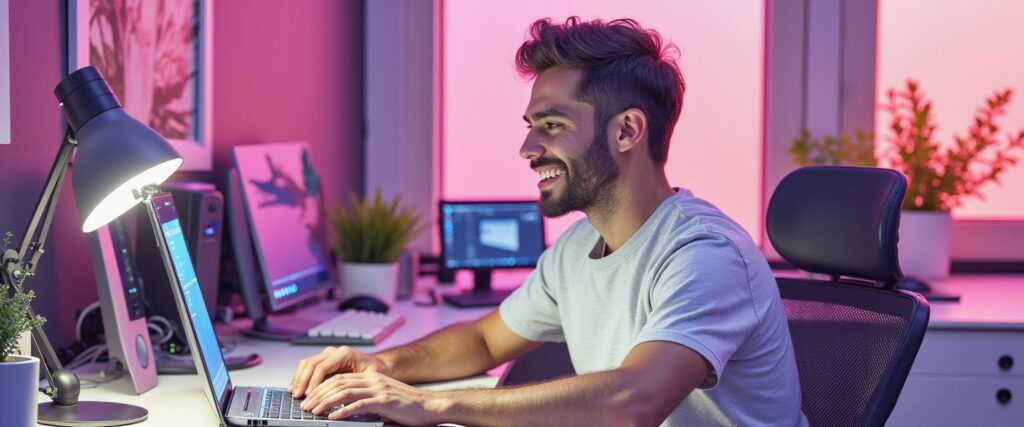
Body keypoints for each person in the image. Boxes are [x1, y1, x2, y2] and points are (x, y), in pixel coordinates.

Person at [288, 17, 807, 426]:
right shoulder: (580, 244)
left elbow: (633, 403)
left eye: (552, 125)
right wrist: (383, 366)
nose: (528, 148)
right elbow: (487, 340)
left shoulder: (705, 253)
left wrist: (435, 406)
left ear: (627, 130)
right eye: (531, 127)